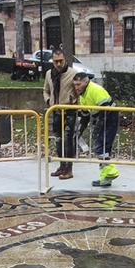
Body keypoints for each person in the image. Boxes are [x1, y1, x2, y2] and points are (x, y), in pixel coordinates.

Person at [72, 71, 120, 187]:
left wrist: (98, 128)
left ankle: (112, 171)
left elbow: (106, 110)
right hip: (101, 119)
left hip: (109, 118)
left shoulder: (95, 89)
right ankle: (105, 179)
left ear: (86, 81)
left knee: (100, 147)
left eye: (79, 84)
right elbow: (84, 116)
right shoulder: (83, 95)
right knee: (103, 148)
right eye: (75, 85)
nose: (76, 87)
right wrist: (79, 133)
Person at [44, 47, 77, 180]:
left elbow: (79, 89)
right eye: (56, 61)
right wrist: (48, 101)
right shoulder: (49, 74)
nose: (58, 64)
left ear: (65, 59)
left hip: (69, 111)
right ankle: (62, 166)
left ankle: (69, 169)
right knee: (58, 140)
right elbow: (45, 90)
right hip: (55, 111)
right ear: (52, 60)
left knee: (68, 140)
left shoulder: (73, 73)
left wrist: (73, 101)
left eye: (61, 61)